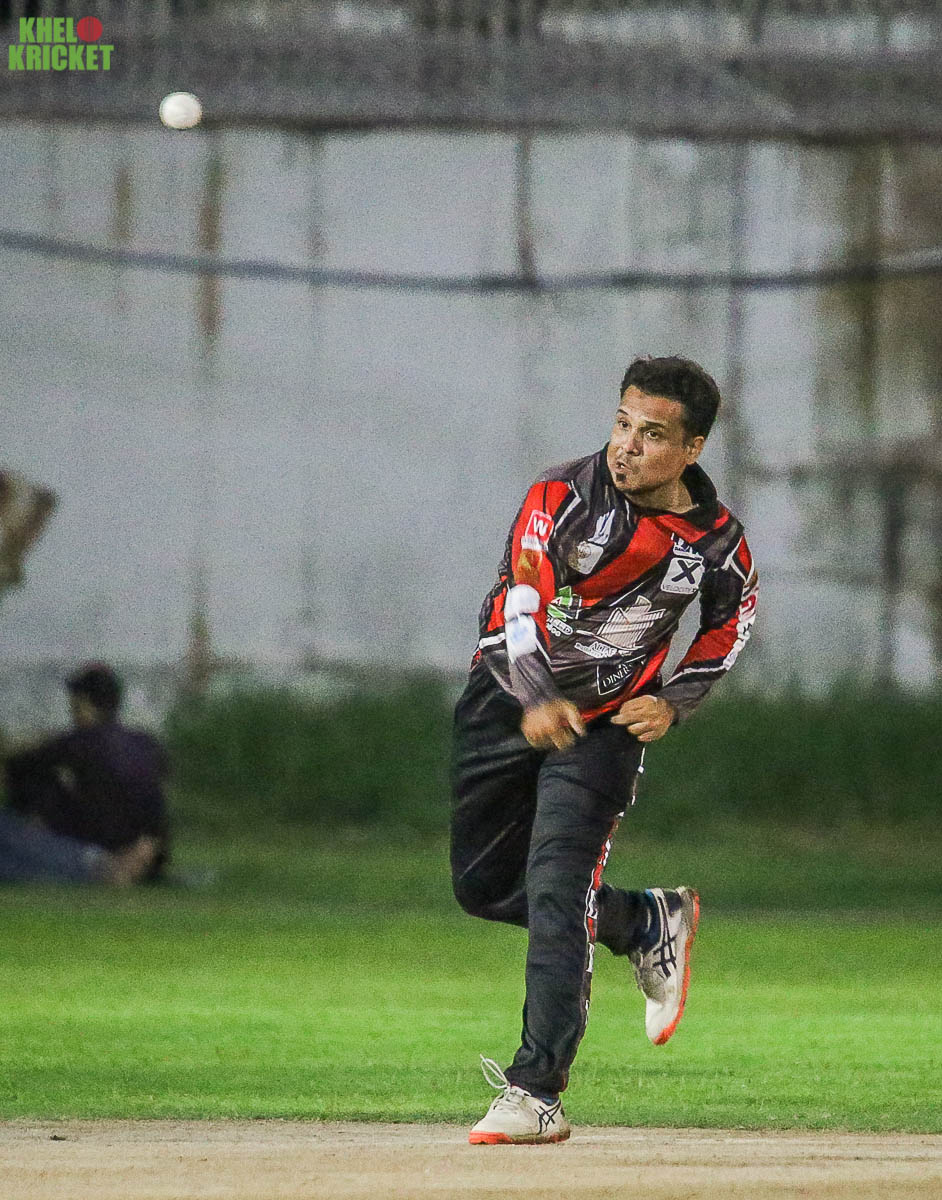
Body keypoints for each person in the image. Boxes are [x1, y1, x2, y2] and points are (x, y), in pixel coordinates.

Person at [452, 355, 758, 1145]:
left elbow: (731, 622)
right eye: (622, 424)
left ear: (691, 449)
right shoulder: (562, 496)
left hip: (605, 729)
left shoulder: (717, 543)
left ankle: (536, 1092)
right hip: (506, 700)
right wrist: (534, 693)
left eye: (652, 434)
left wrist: (677, 698)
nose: (627, 445)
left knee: (558, 888)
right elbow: (523, 599)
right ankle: (644, 920)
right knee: (482, 887)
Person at [2, 663, 169, 885]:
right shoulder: (146, 743)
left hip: (94, 855)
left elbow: (18, 765)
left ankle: (104, 867)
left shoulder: (83, 741)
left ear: (84, 702)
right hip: (148, 855)